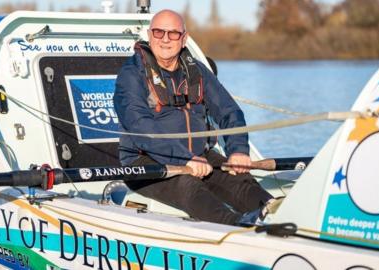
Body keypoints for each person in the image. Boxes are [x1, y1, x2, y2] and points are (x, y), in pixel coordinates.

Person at [113, 9, 274, 226]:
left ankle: (277, 216)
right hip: (145, 162)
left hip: (198, 156)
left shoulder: (196, 71)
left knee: (240, 180)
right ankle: (239, 228)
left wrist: (237, 150)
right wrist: (183, 159)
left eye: (173, 34)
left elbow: (229, 111)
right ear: (150, 35)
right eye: (159, 32)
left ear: (184, 38)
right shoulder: (131, 74)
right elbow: (142, 127)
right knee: (187, 185)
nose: (165, 39)